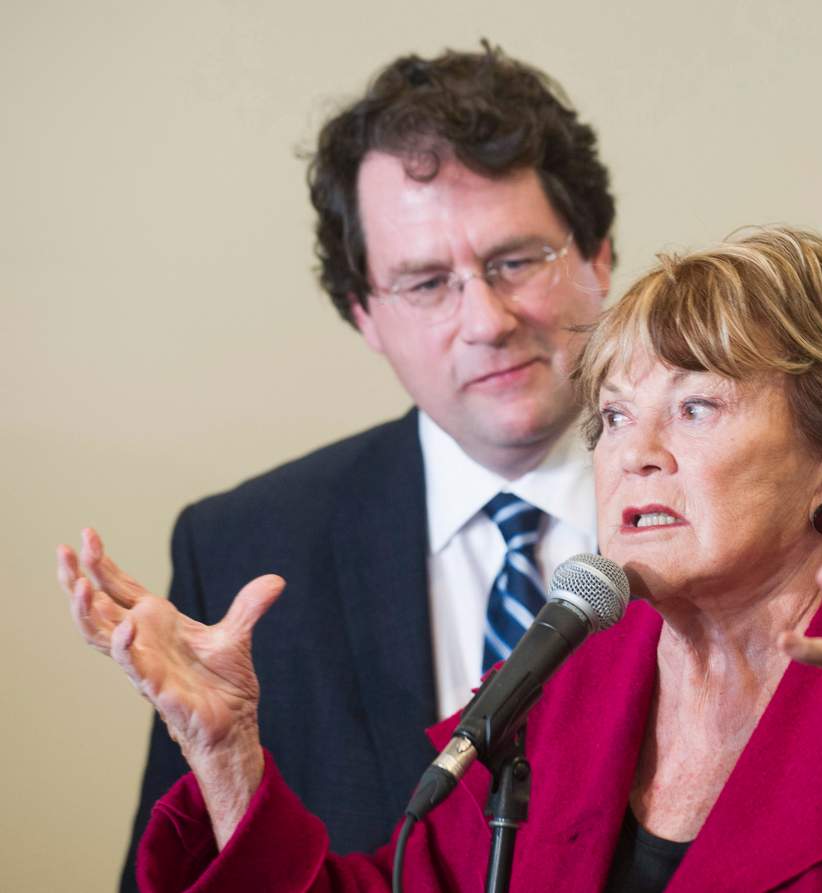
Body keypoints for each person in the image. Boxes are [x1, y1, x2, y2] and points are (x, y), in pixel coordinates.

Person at [59, 225, 822, 891]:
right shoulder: (568, 686)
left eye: (695, 408)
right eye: (610, 417)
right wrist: (228, 754)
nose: (633, 453)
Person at [106, 43, 615, 891]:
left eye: (516, 261)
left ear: (598, 257)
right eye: (425, 284)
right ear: (365, 315)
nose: (486, 320)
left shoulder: (729, 511)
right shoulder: (240, 549)